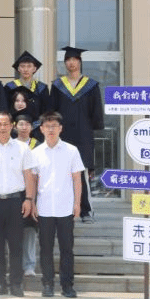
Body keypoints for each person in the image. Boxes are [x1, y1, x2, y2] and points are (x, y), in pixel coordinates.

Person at [0, 112, 37, 298]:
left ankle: (16, 284)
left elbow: (28, 175)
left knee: (16, 245)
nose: (2, 127)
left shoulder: (22, 148)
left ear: (12, 126)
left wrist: (29, 199)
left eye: (6, 124)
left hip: (15, 202)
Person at [31, 112, 84, 298]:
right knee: (45, 249)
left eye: (54, 126)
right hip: (44, 208)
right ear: (41, 129)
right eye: (47, 126)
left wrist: (77, 203)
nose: (51, 129)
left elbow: (77, 179)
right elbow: (33, 180)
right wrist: (32, 202)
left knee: (66, 249)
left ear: (60, 128)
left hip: (65, 207)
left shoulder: (71, 151)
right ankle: (47, 285)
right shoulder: (36, 153)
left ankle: (67, 285)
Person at [49, 46, 104, 222]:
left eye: (74, 59)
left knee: (81, 173)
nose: (71, 63)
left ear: (80, 62)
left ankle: (86, 210)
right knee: (61, 172)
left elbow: (96, 112)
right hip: (63, 135)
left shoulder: (91, 85)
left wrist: (92, 129)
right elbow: (52, 111)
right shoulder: (58, 86)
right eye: (68, 60)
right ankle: (63, 208)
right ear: (65, 63)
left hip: (83, 135)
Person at [14, 114, 40, 277]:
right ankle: (15, 265)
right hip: (14, 192)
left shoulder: (39, 146)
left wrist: (33, 199)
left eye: (27, 124)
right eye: (21, 124)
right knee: (13, 230)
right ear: (15, 126)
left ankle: (29, 265)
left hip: (33, 193)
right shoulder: (10, 145)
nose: (24, 127)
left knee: (30, 230)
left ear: (32, 127)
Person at [6, 51, 48, 118]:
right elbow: (6, 109)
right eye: (22, 66)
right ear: (18, 69)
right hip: (15, 123)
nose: (25, 69)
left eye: (29, 66)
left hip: (36, 123)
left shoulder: (41, 88)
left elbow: (45, 111)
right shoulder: (10, 87)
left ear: (34, 69)